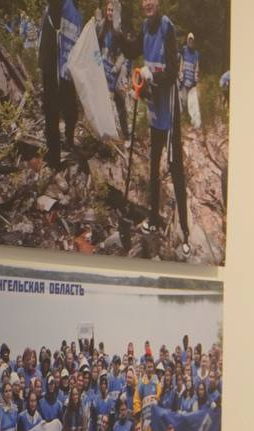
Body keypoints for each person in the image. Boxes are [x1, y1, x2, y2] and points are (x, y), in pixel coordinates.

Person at [125, 0, 191, 255]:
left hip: (169, 109)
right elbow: (132, 51)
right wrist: (115, 30)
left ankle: (185, 232)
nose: (148, 3)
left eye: (151, 0)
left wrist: (153, 76)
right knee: (153, 166)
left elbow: (173, 71)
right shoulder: (145, 27)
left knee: (175, 168)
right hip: (154, 107)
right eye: (144, 0)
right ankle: (153, 219)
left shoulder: (166, 27)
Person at [39, 0, 82, 170]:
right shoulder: (58, 4)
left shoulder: (75, 8)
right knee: (52, 112)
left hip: (67, 66)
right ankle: (54, 159)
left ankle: (69, 140)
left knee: (71, 110)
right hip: (52, 64)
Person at [99, 1, 130, 139]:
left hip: (114, 72)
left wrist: (117, 67)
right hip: (102, 70)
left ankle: (126, 135)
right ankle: (103, 133)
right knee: (103, 103)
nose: (110, 12)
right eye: (108, 10)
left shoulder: (119, 32)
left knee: (120, 103)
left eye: (112, 10)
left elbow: (124, 53)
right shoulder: (101, 27)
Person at [178, 32, 201, 129]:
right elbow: (180, 64)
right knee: (182, 102)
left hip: (191, 83)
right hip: (183, 82)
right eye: (189, 40)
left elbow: (197, 68)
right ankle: (181, 122)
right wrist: (180, 77)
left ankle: (193, 122)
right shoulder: (183, 51)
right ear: (187, 40)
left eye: (192, 40)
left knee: (192, 104)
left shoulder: (196, 54)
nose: (190, 42)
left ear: (193, 41)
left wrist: (195, 79)